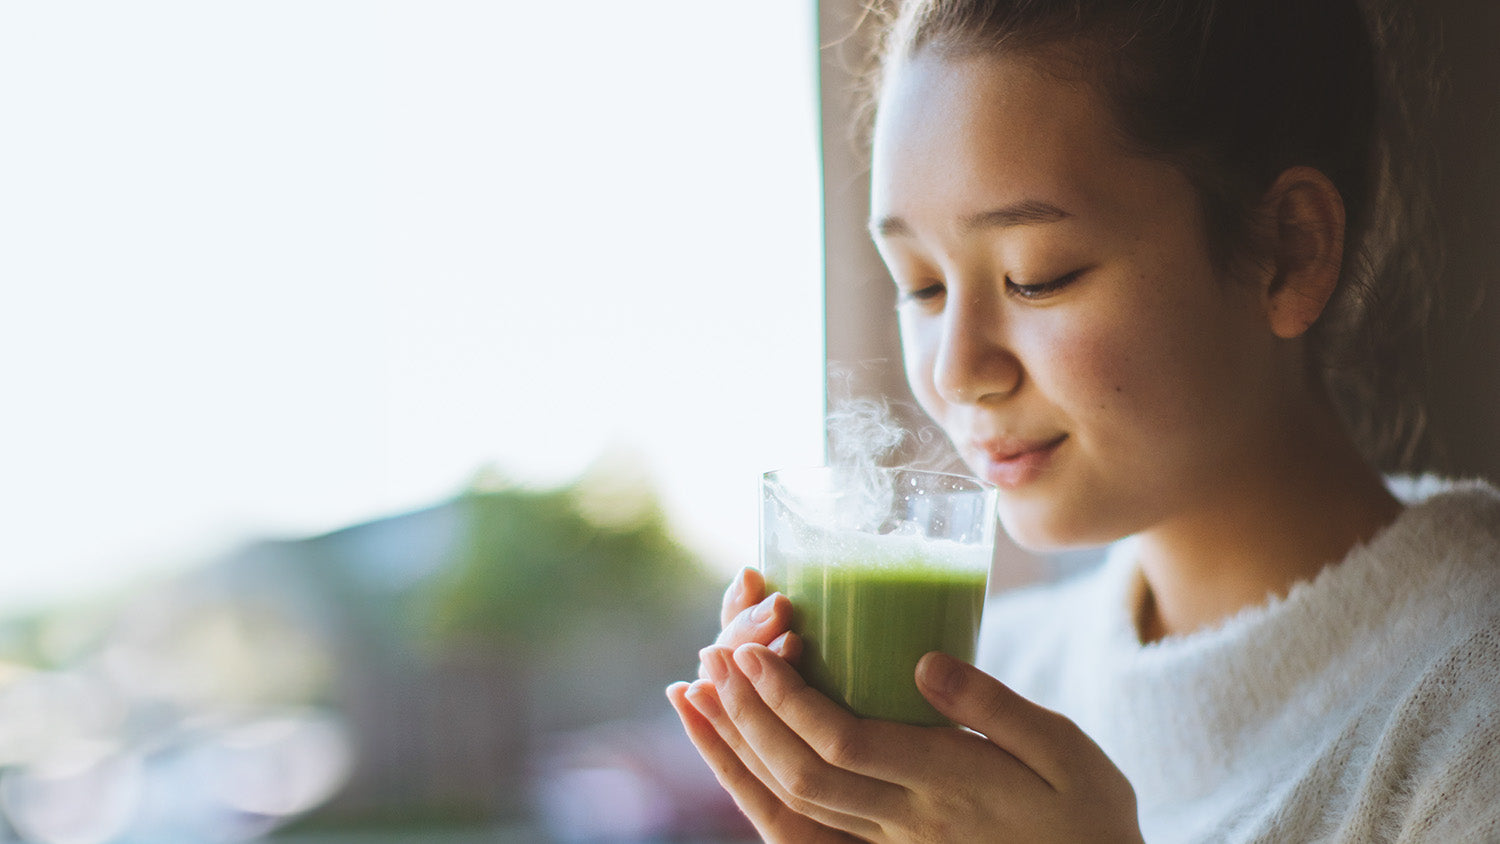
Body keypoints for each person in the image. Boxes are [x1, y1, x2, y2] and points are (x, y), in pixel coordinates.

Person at [667, 0, 1500, 840]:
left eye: (1037, 277)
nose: (957, 372)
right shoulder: (984, 692)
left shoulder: (1468, 721)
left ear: (1288, 252)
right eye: (921, 285)